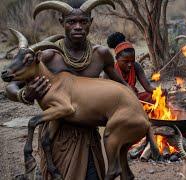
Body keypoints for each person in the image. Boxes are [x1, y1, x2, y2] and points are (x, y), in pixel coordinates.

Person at [5, 0, 127, 179]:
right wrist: (23, 94)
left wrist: (149, 104)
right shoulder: (48, 56)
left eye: (83, 21)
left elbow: (121, 87)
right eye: (71, 22)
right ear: (62, 22)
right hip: (57, 137)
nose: (78, 26)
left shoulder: (100, 55)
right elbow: (11, 85)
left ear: (90, 22)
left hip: (90, 135)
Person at [107, 32, 166, 103]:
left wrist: (160, 91)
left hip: (135, 98)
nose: (129, 64)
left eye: (132, 61)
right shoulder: (111, 70)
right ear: (117, 58)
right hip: (119, 102)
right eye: (126, 61)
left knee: (155, 97)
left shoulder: (136, 66)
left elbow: (148, 87)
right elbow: (106, 95)